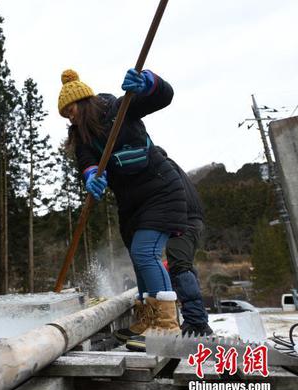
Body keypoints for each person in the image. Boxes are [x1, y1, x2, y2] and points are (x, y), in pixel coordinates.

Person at [58, 68, 188, 351]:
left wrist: (150, 83)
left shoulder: (120, 108)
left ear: (85, 101)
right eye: (65, 113)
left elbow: (164, 97)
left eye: (72, 109)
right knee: (138, 259)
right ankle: (146, 320)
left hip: (160, 191)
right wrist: (92, 177)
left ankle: (166, 327)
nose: (70, 116)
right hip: (130, 203)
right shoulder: (82, 138)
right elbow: (86, 163)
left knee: (145, 253)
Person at [159, 148, 213, 336]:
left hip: (184, 221)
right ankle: (196, 318)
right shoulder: (175, 167)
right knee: (185, 266)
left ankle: (196, 322)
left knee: (180, 266)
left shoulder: (164, 168)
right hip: (192, 220)